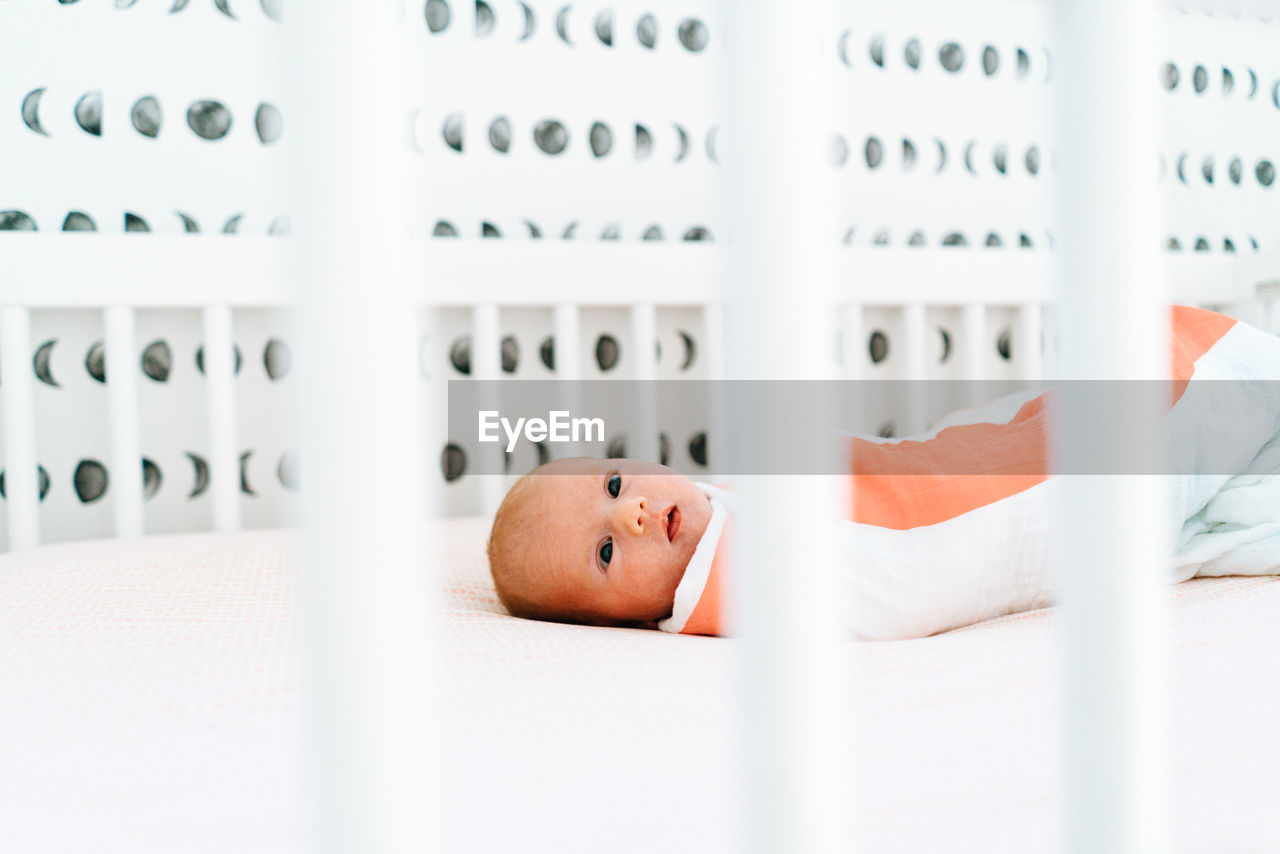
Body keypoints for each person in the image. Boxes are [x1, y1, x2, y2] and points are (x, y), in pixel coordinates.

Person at [488, 306, 1280, 640]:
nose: (629, 517)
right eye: (603, 555)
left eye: (617, 484)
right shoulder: (733, 585)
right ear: (617, 625)